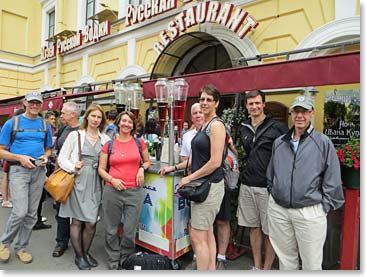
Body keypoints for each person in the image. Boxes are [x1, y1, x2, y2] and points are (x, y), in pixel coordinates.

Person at [267, 95, 345, 270]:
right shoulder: (279, 142)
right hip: (279, 210)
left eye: (304, 111)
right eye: (296, 111)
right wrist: (274, 194)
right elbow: (271, 174)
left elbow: (332, 179)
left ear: (311, 113)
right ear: (291, 114)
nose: (299, 116)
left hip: (309, 211)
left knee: (311, 264)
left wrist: (323, 207)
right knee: (286, 261)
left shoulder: (323, 143)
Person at [160, 85, 226, 270]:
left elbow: (215, 162)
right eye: (202, 99)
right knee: (206, 234)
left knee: (197, 235)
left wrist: (189, 178)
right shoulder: (205, 124)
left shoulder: (216, 125)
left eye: (209, 100)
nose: (204, 103)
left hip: (208, 186)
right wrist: (174, 167)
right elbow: (196, 158)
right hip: (205, 185)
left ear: (216, 103)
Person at [237, 90, 288, 270]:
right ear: (246, 106)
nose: (254, 106)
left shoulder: (277, 127)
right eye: (251, 104)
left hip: (267, 187)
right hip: (247, 184)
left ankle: (266, 270)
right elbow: (247, 154)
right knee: (253, 228)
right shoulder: (243, 127)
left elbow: (288, 155)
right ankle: (257, 267)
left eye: (257, 103)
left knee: (270, 232)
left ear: (264, 104)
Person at [0, 91, 53, 264]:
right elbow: (1, 150)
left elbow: (48, 149)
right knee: (20, 211)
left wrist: (46, 157)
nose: (35, 105)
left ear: (42, 104)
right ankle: (4, 243)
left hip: (38, 172)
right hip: (18, 171)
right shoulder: (12, 123)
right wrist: (20, 158)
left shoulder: (45, 125)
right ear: (25, 102)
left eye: (38, 102)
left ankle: (21, 247)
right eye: (31, 102)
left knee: (31, 214)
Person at [57, 103, 110, 270]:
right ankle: (79, 256)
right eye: (93, 116)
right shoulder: (76, 136)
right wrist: (73, 166)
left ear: (102, 120)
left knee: (92, 222)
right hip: (78, 181)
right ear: (86, 117)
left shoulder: (106, 139)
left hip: (96, 182)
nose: (95, 119)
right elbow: (61, 158)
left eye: (99, 117)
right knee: (77, 221)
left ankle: (85, 252)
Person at [98, 111, 151, 270]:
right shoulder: (109, 145)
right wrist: (112, 180)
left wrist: (142, 168)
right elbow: (101, 169)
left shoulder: (138, 142)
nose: (126, 124)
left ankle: (126, 257)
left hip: (134, 191)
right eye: (124, 121)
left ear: (133, 125)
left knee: (129, 229)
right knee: (111, 228)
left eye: (130, 122)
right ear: (118, 123)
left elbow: (147, 161)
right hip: (112, 191)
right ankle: (114, 257)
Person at [52, 101, 81, 258]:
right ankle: (61, 242)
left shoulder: (83, 131)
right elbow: (59, 154)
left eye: (63, 113)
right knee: (61, 210)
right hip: (62, 175)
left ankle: (80, 243)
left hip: (78, 176)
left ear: (73, 114)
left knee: (78, 212)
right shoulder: (63, 129)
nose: (60, 115)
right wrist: (54, 175)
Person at [33, 110, 57, 230]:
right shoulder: (43, 130)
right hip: (38, 166)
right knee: (38, 195)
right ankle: (35, 221)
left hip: (41, 164)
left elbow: (47, 150)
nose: (54, 121)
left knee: (40, 195)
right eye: (52, 119)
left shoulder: (47, 130)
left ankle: (35, 219)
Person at [1, 108, 25, 209]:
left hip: (9, 156)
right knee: (6, 177)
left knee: (7, 176)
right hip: (10, 156)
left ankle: (7, 198)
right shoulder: (12, 126)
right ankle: (6, 199)